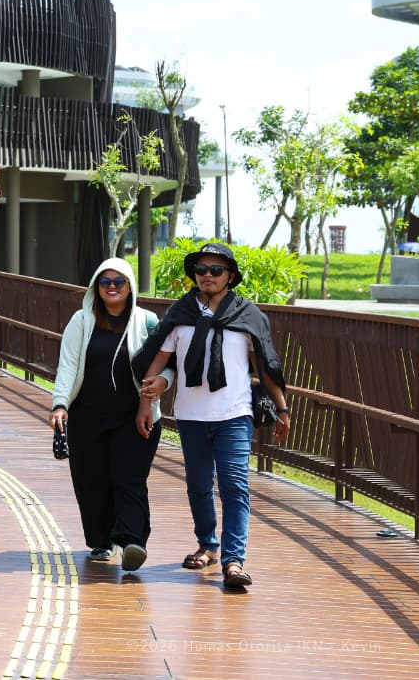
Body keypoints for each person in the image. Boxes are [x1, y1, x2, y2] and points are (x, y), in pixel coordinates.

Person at [133, 243, 292, 590]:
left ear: (230, 277)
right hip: (191, 416)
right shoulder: (181, 314)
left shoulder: (246, 316)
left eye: (215, 270)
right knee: (199, 487)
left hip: (235, 415)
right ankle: (207, 544)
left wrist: (281, 408)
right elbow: (158, 361)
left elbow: (264, 366)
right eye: (201, 269)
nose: (207, 275)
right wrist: (146, 403)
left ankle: (234, 560)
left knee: (235, 487)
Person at [50, 258, 176, 571]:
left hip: (135, 416)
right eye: (104, 282)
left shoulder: (147, 322)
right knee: (91, 482)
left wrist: (164, 382)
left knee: (129, 479)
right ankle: (101, 541)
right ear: (96, 287)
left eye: (118, 281)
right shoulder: (80, 321)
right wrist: (60, 403)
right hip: (87, 417)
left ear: (129, 285)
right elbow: (67, 365)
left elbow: (168, 364)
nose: (111, 287)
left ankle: (133, 542)